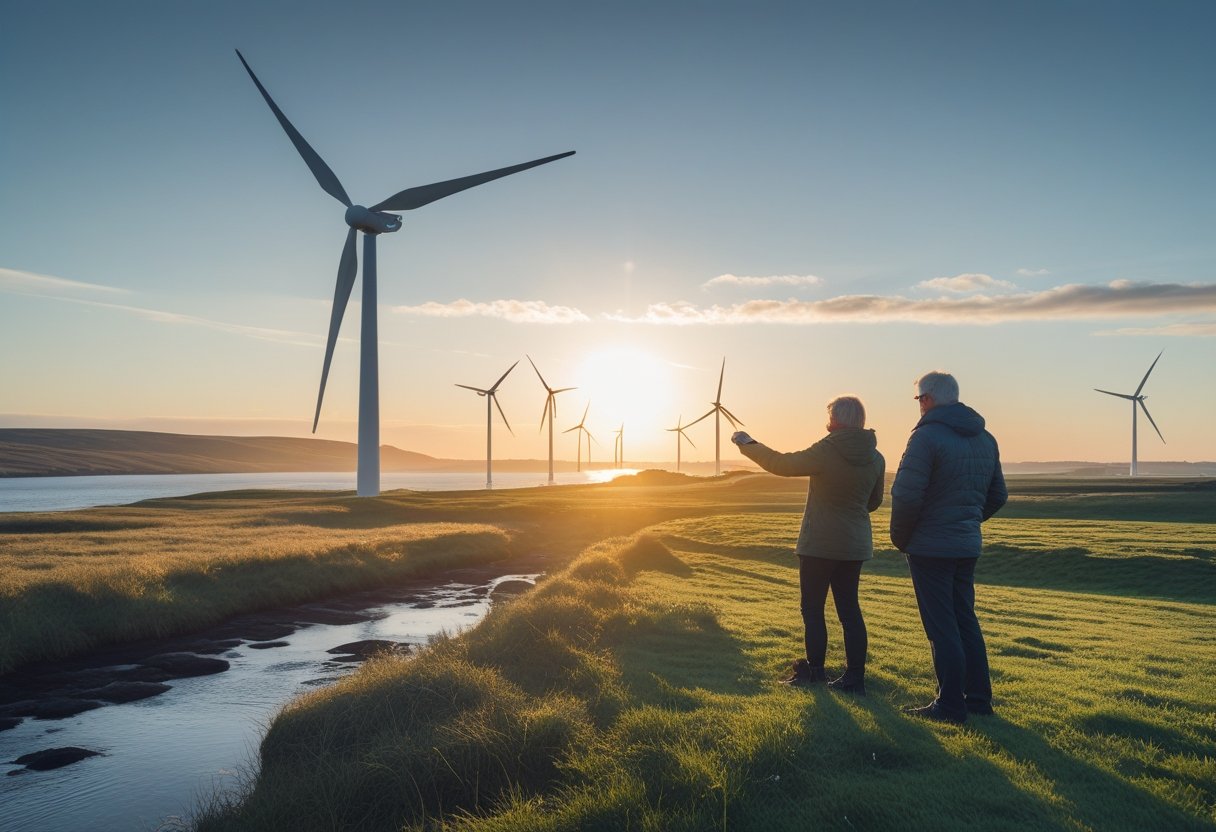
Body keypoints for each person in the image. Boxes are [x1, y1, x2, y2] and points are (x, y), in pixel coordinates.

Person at [731, 395, 885, 694]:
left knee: (813, 609)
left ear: (837, 419)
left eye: (829, 415)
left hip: (819, 545)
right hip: (854, 544)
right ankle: (855, 679)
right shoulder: (876, 457)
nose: (827, 420)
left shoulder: (827, 449)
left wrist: (747, 443)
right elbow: (874, 502)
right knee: (850, 611)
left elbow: (782, 464)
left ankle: (815, 674)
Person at [890, 371, 1007, 724]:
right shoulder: (986, 438)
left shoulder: (926, 438)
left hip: (930, 547)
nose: (919, 407)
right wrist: (967, 522)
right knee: (964, 620)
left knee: (942, 626)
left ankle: (950, 704)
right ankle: (979, 699)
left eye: (918, 400)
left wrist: (902, 537)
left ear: (927, 400)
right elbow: (998, 495)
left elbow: (906, 495)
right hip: (965, 545)